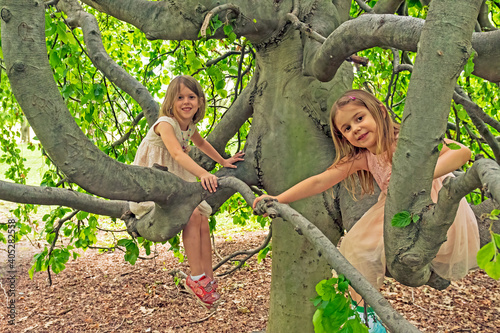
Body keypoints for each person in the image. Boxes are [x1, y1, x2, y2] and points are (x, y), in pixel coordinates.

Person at [253, 89, 479, 331]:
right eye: (347, 129)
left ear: (379, 111)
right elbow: (320, 181)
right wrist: (279, 199)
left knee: (364, 246)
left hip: (432, 205)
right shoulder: (363, 158)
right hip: (395, 211)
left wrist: (414, 178)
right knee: (353, 248)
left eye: (359, 118)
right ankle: (365, 317)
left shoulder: (405, 140)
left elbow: (462, 152)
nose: (355, 129)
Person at [130, 75, 244, 309]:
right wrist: (203, 173)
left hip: (175, 179)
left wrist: (223, 160)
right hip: (156, 182)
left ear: (200, 102)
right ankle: (195, 277)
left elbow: (202, 144)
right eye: (180, 97)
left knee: (202, 219)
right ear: (170, 102)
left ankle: (208, 277)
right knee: (191, 216)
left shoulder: (189, 126)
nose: (186, 102)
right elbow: (177, 154)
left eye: (192, 97)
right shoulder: (166, 123)